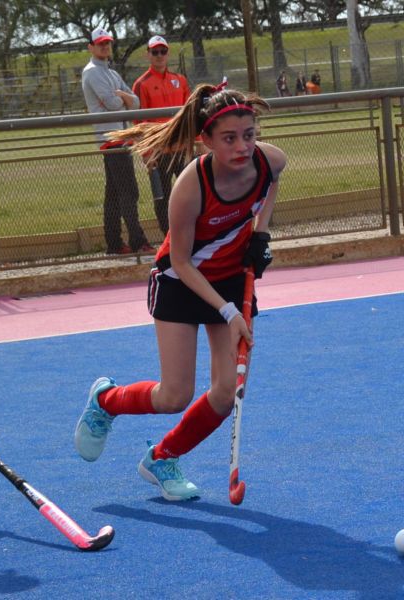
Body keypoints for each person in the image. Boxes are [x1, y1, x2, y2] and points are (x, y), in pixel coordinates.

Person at [74, 84, 287, 501]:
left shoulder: (269, 160)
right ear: (204, 140)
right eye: (229, 138)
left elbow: (273, 180)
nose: (243, 146)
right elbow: (182, 262)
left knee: (227, 393)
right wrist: (227, 312)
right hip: (179, 280)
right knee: (175, 395)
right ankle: (106, 401)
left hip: (229, 277)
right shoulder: (191, 185)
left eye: (249, 134)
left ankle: (162, 457)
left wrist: (260, 235)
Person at [81, 27, 153, 255]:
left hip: (119, 138)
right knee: (129, 191)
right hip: (111, 138)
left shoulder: (110, 72)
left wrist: (122, 97)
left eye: (108, 43)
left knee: (114, 193)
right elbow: (113, 104)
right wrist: (124, 97)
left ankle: (113, 243)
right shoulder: (92, 71)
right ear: (90, 47)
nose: (105, 46)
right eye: (100, 43)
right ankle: (138, 241)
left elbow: (136, 102)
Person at [131, 35, 190, 235]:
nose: (159, 56)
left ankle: (192, 234)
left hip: (181, 148)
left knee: (191, 192)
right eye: (154, 52)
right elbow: (139, 123)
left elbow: (188, 115)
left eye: (162, 51)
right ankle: (169, 239)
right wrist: (147, 154)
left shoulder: (179, 80)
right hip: (159, 150)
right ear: (147, 54)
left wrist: (195, 143)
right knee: (162, 196)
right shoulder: (141, 84)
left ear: (168, 53)